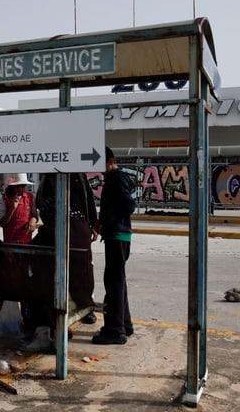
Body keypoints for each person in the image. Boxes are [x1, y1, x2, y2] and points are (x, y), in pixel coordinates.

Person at [19, 172, 99, 352]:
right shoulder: (81, 223)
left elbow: (32, 253)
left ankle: (43, 334)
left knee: (38, 286)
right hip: (81, 288)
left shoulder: (57, 224)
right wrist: (93, 222)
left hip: (62, 281)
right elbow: (88, 198)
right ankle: (61, 330)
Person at [92, 146, 136, 345]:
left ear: (110, 161)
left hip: (117, 235)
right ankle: (124, 324)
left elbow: (128, 205)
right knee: (118, 280)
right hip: (117, 236)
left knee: (113, 281)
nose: (100, 169)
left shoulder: (117, 178)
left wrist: (105, 221)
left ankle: (114, 330)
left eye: (101, 164)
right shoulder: (115, 178)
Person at [0, 173, 38, 244]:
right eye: (17, 187)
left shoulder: (30, 197)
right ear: (12, 186)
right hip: (10, 242)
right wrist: (12, 208)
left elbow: (35, 215)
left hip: (26, 242)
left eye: (22, 186)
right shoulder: (4, 199)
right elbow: (2, 223)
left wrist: (33, 221)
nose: (20, 189)